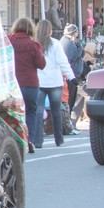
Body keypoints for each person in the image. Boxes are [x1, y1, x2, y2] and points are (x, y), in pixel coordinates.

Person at [35, 20, 76, 149]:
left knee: (38, 110)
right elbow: (63, 62)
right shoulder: (56, 44)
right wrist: (71, 77)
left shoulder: (35, 44)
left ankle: (38, 140)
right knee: (56, 111)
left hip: (39, 81)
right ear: (50, 30)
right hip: (55, 81)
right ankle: (59, 139)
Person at [8, 17, 45, 154]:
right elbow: (41, 64)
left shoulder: (8, 41)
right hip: (30, 84)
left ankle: (14, 140)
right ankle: (28, 139)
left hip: (13, 84)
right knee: (31, 111)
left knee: (12, 113)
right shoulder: (34, 45)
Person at [59, 24, 84, 135]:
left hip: (71, 75)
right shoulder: (68, 44)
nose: (78, 34)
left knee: (71, 100)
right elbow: (75, 56)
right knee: (69, 100)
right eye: (76, 32)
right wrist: (79, 46)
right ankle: (67, 124)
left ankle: (68, 123)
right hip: (71, 76)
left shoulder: (66, 42)